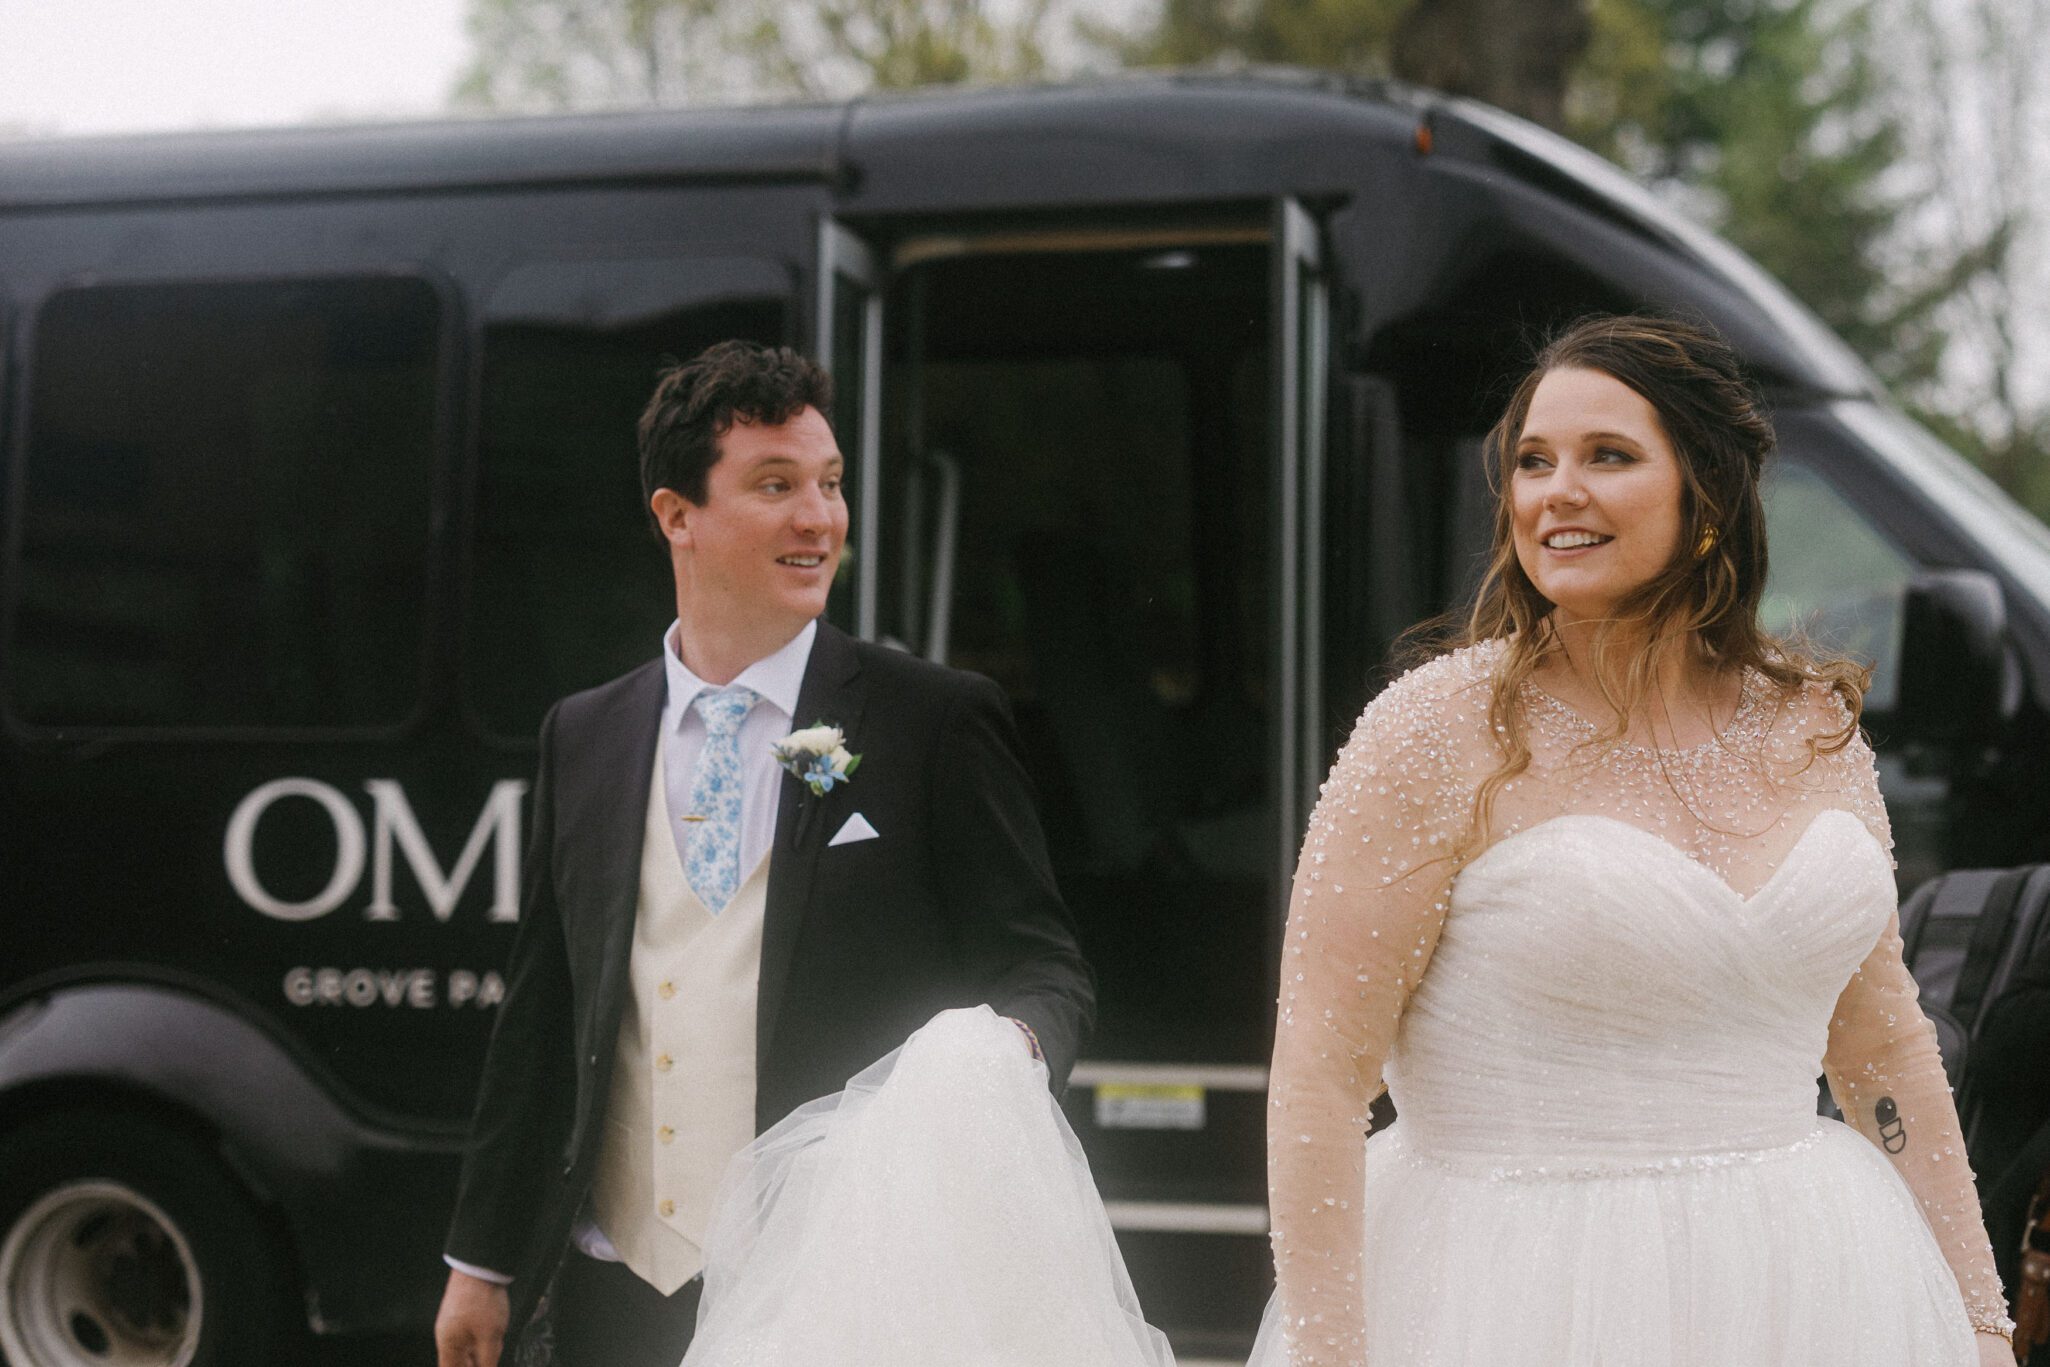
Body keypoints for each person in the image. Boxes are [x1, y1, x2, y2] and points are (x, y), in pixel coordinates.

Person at [1258, 315, 2016, 1365]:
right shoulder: (1434, 731)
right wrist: (1328, 1354)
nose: (1555, 491)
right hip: (1512, 1294)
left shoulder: (1814, 725)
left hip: (1814, 1290)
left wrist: (1979, 1314)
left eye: (1606, 456)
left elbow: (1882, 1048)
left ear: (1707, 495)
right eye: (1533, 461)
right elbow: (1320, 1073)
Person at [431, 341, 1094, 1367]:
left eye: (830, 483)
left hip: (835, 1291)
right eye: (776, 485)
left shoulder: (934, 720)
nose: (819, 517)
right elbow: (542, 1011)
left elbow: (1043, 968)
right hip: (615, 1289)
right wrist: (481, 1260)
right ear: (676, 515)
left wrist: (995, 1062)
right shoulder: (586, 733)